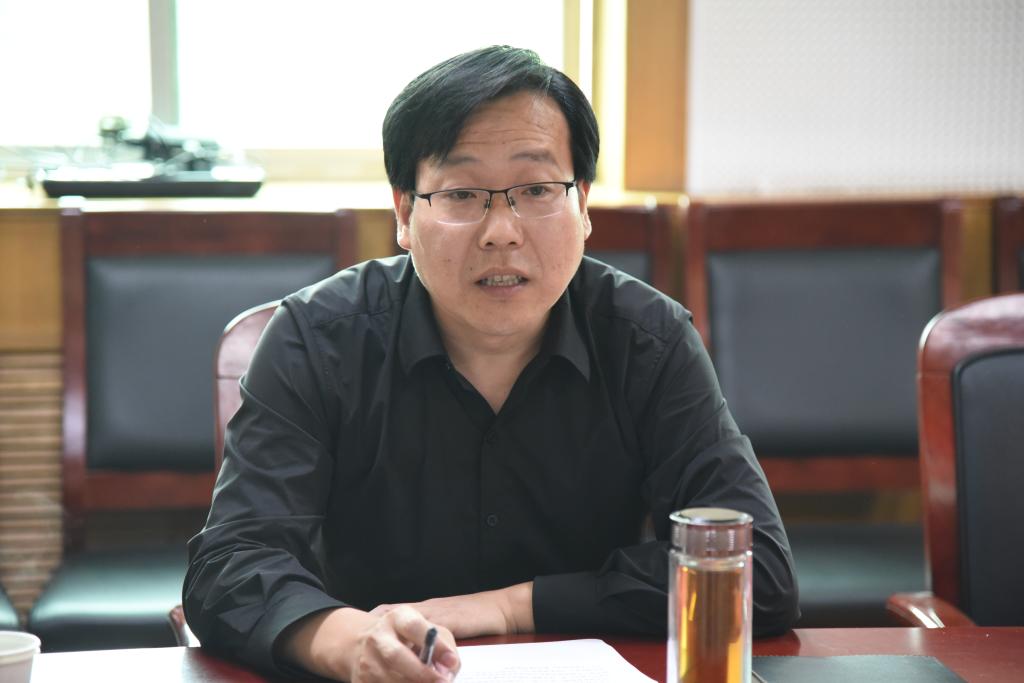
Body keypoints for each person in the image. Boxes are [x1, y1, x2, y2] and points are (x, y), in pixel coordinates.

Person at [183, 45, 799, 682]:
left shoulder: (649, 341)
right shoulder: (315, 340)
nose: (501, 230)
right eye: (462, 193)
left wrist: (508, 606)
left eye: (536, 190)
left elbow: (756, 570)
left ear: (583, 205)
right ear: (404, 213)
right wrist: (352, 641)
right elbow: (231, 564)